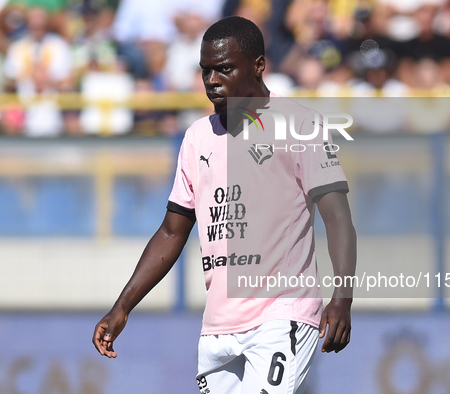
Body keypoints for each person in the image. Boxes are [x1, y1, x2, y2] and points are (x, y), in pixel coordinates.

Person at [92, 16, 356, 394]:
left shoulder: (300, 126)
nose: (212, 80)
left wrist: (342, 297)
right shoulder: (198, 137)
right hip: (218, 330)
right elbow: (171, 231)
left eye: (224, 69)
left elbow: (339, 219)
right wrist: (122, 307)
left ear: (259, 66)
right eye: (206, 70)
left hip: (282, 316)